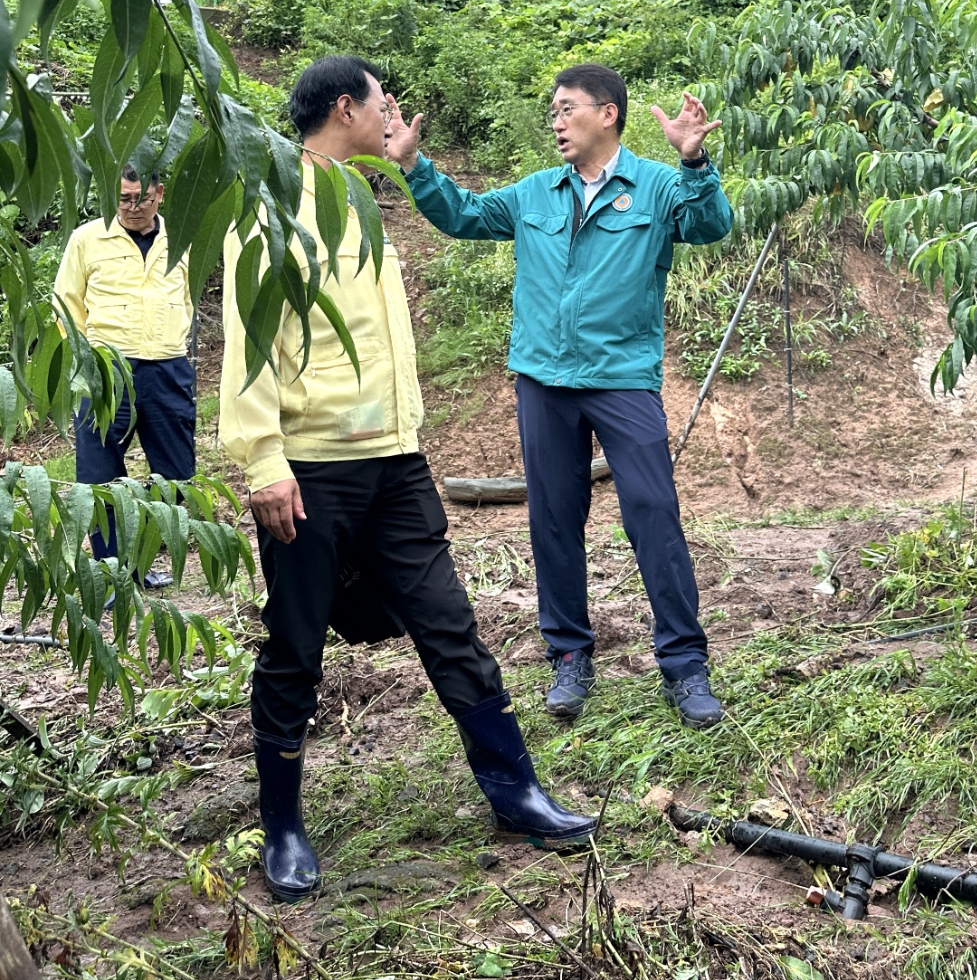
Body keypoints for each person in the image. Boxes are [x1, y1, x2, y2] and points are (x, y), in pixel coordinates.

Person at [218, 56, 595, 902]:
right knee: (295, 649)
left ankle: (515, 791)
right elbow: (248, 347)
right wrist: (264, 463)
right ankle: (282, 827)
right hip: (311, 469)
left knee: (449, 625)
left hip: (394, 464)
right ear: (345, 108)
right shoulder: (271, 208)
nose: (390, 116)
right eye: (382, 105)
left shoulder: (362, 200)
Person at [387, 64, 733, 728]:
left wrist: (695, 160)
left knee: (653, 512)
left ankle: (685, 666)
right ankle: (569, 656)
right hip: (544, 381)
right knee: (552, 521)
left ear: (607, 114)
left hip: (623, 377)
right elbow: (462, 216)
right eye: (551, 110)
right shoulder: (535, 194)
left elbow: (712, 223)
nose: (556, 120)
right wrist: (416, 166)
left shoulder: (658, 187)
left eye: (566, 108)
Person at [54, 166, 195, 588]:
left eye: (143, 198)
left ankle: (145, 561)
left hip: (167, 369)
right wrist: (87, 366)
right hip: (107, 371)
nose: (133, 208)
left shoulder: (181, 238)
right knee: (100, 474)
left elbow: (186, 298)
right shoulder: (87, 238)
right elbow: (66, 305)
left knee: (174, 476)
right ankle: (112, 573)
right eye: (124, 199)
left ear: (160, 194)